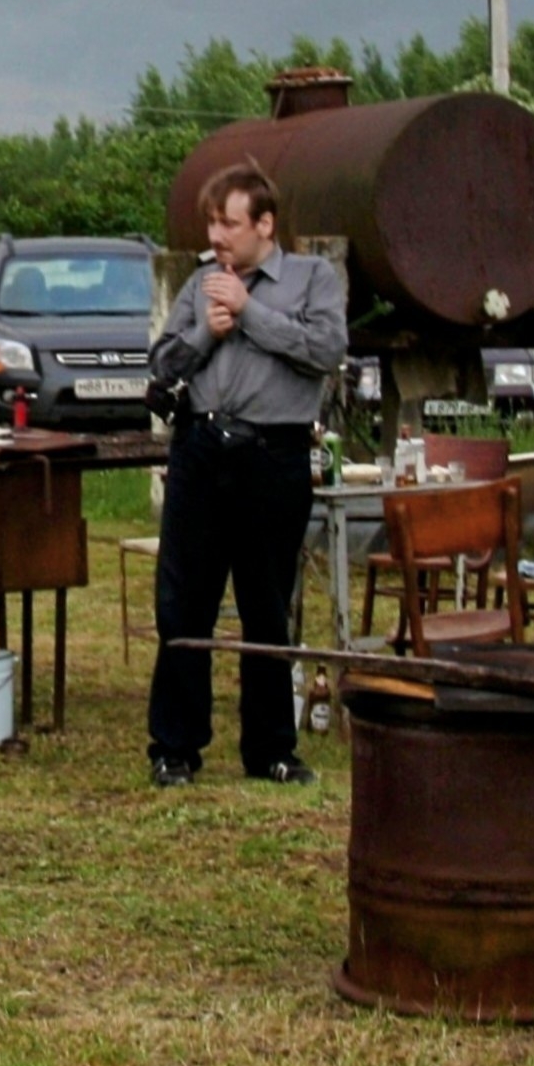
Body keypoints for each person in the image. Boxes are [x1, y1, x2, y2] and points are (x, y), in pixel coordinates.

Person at [144, 163, 349, 788]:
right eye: (211, 222)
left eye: (229, 223)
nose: (217, 235)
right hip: (201, 450)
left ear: (265, 224)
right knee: (184, 602)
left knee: (266, 604)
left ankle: (270, 750)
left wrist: (249, 311)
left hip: (272, 454)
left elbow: (326, 350)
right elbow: (163, 363)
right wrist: (207, 331)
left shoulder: (312, 278)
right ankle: (175, 747)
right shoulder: (201, 281)